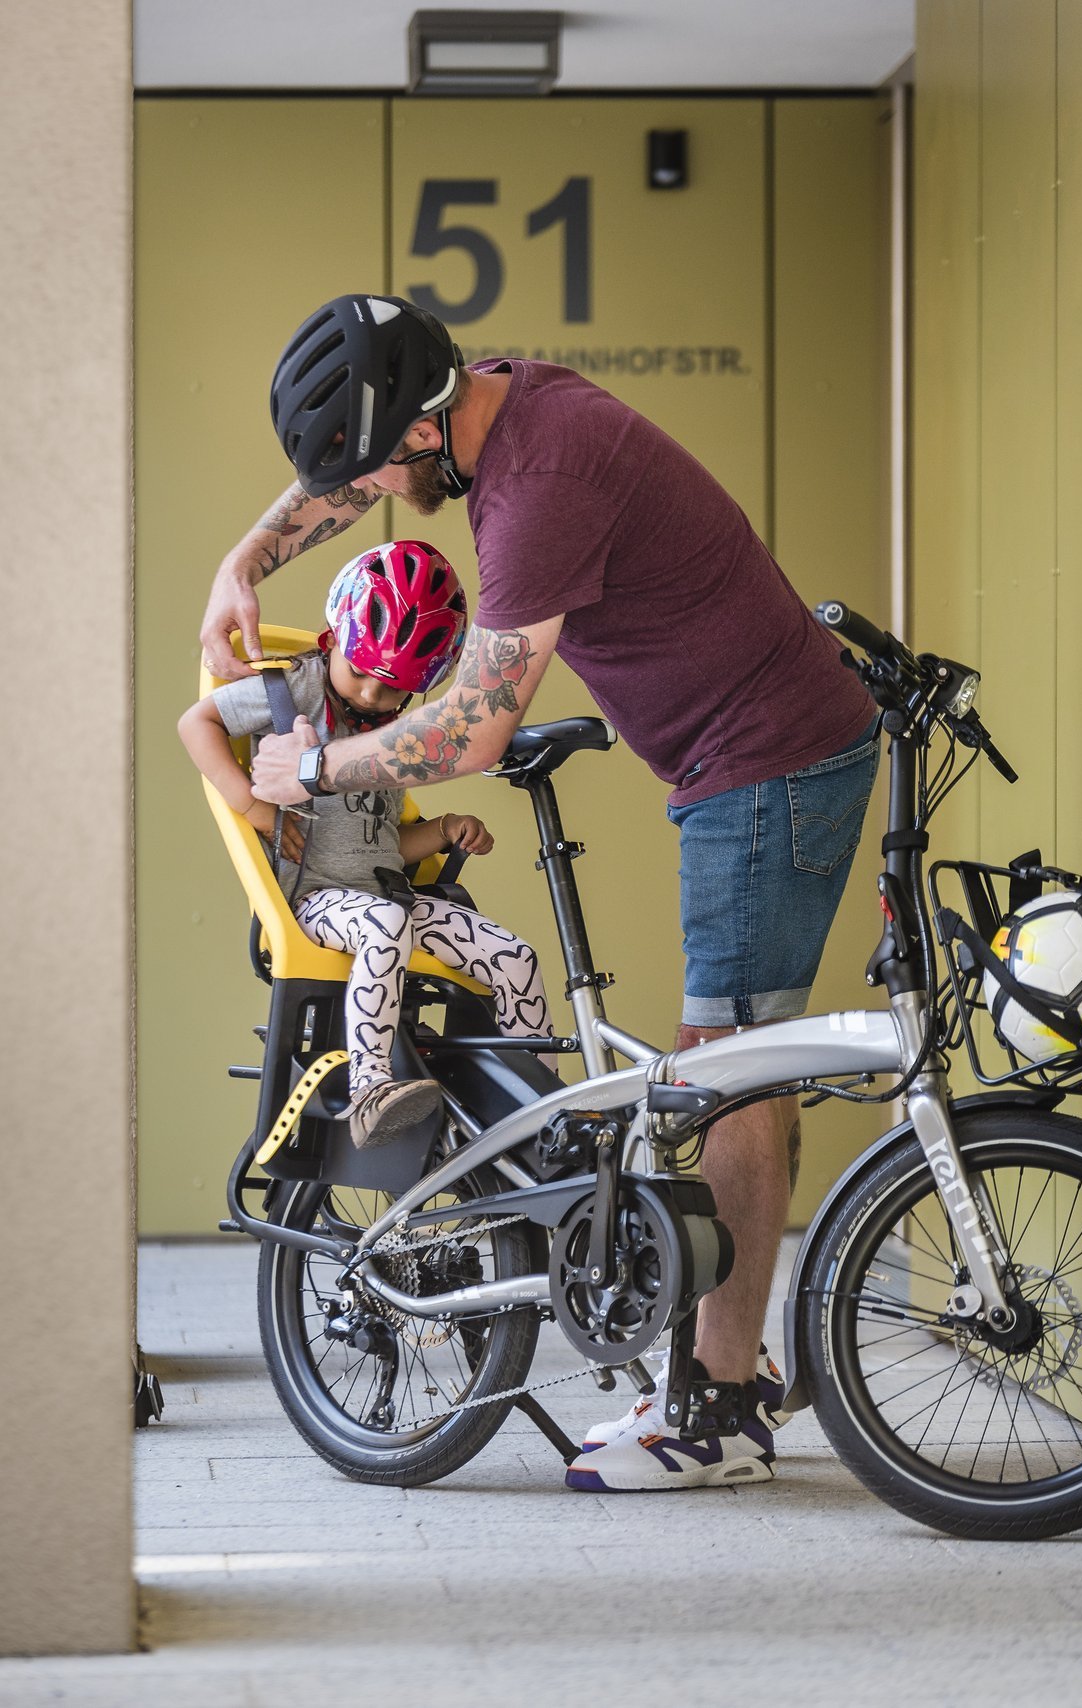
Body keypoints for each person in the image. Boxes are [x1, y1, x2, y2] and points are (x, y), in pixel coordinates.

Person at [200, 294, 879, 1491]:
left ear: (419, 432)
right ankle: (726, 1358)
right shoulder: (495, 405)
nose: (374, 490)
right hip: (754, 755)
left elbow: (468, 727)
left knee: (727, 1063)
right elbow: (354, 484)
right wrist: (244, 559)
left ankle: (712, 1413)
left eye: (378, 464)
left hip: (768, 763)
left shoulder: (538, 488)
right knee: (741, 1065)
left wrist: (313, 765)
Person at [183, 536, 553, 1150]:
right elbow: (196, 723)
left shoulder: (386, 735)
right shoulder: (292, 690)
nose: (371, 697)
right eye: (360, 673)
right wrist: (254, 807)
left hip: (388, 898)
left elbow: (381, 847)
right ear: (333, 640)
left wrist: (440, 832)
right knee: (385, 922)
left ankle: (534, 1113)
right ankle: (370, 1091)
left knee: (514, 957)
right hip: (318, 903)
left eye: (394, 690)